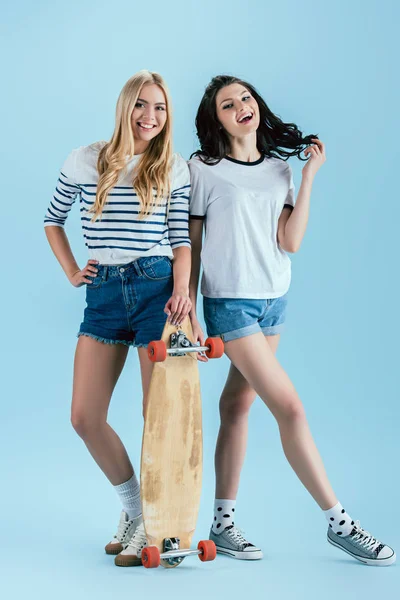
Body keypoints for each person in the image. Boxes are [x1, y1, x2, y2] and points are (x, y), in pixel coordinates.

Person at [188, 74, 395, 566]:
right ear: (215, 120)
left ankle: (222, 525)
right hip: (230, 304)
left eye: (245, 97)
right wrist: (191, 311)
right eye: (227, 104)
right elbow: (191, 245)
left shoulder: (279, 170)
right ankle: (339, 522)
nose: (241, 105)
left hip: (274, 301)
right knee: (292, 409)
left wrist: (309, 179)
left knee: (237, 407)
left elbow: (291, 241)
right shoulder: (203, 169)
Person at [44, 70, 191, 567]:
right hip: (103, 293)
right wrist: (71, 270)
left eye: (161, 108)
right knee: (85, 418)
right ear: (125, 106)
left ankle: (153, 520)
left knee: (157, 419)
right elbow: (53, 218)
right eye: (142, 105)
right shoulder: (85, 159)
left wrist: (184, 293)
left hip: (157, 291)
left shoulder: (172, 167)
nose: (150, 117)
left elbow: (181, 240)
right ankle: (133, 508)